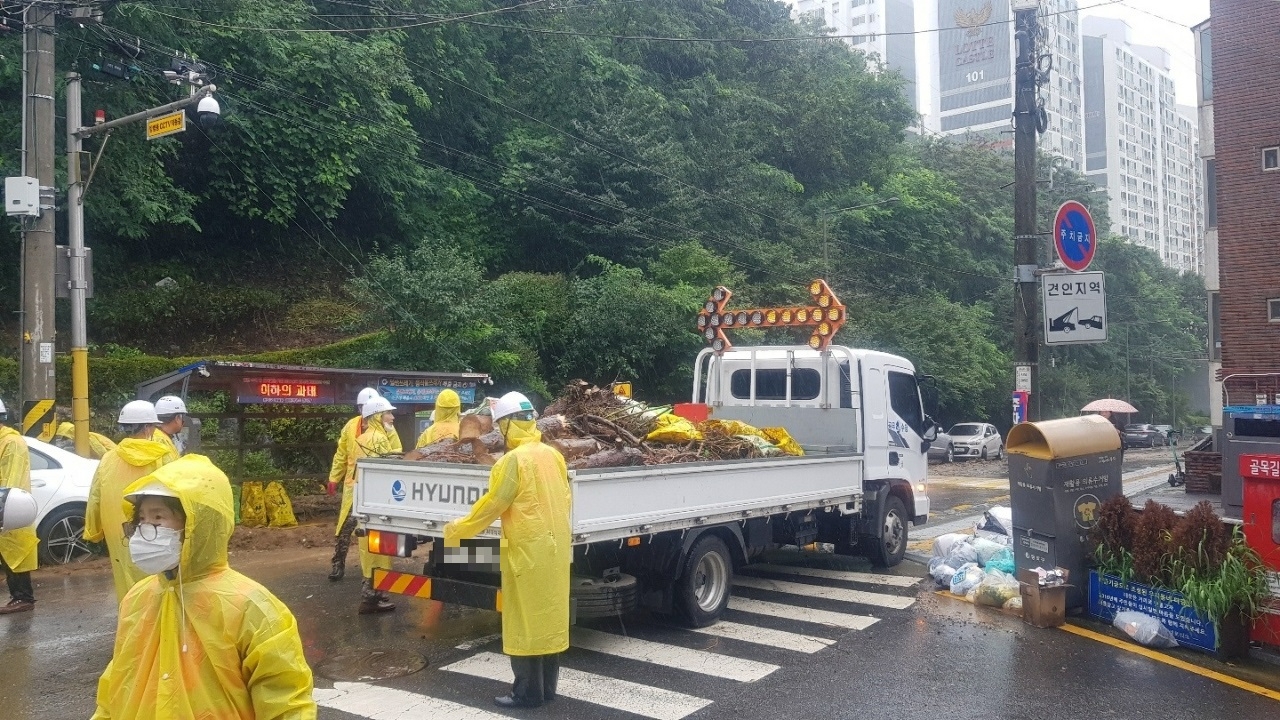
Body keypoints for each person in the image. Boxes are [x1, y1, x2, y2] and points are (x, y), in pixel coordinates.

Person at [91, 454, 316, 719]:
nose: (144, 530)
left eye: (158, 517)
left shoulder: (250, 607)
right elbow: (116, 686)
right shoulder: (137, 599)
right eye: (141, 519)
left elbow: (286, 702)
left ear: (198, 524)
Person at [445, 392, 571, 709]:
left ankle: (526, 694)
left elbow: (493, 505)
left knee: (525, 622)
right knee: (547, 618)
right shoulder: (553, 455)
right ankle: (547, 689)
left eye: (500, 424)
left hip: (526, 552)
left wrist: (457, 530)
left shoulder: (513, 461)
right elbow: (565, 499)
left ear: (507, 425)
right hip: (554, 550)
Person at [84, 400, 175, 603]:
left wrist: (93, 531)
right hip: (156, 529)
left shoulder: (108, 459)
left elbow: (95, 497)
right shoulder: (163, 457)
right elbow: (179, 492)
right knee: (160, 582)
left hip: (118, 533)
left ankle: (130, 620)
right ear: (148, 427)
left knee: (126, 585)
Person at [343, 396, 401, 613]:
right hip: (379, 503)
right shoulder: (378, 439)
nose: (392, 417)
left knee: (368, 550)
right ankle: (375, 597)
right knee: (381, 552)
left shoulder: (363, 437)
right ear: (377, 416)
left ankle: (370, 596)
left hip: (365, 502)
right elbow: (389, 470)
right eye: (388, 413)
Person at [327, 387, 381, 581]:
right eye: (361, 407)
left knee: (370, 530)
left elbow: (396, 452)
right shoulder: (350, 426)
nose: (364, 410)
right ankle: (338, 564)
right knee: (344, 528)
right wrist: (334, 478)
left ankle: (372, 570)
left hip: (375, 489)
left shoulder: (386, 427)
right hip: (353, 486)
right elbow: (341, 454)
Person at [0, 398, 40, 614]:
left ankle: (23, 598)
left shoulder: (11, 443)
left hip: (11, 507)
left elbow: (11, 479)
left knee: (15, 553)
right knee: (9, 554)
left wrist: (3, 506)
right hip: (6, 506)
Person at [152, 395, 188, 460]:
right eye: (182, 417)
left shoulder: (155, 434)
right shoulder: (161, 441)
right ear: (177, 418)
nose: (183, 421)